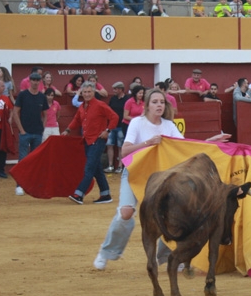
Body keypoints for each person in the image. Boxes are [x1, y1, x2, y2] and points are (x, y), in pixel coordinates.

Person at [93, 88, 230, 270]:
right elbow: (124, 152)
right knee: (125, 213)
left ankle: (165, 257)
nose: (159, 105)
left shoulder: (169, 125)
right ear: (147, 105)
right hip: (135, 172)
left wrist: (211, 141)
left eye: (162, 102)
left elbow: (185, 149)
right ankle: (107, 252)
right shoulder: (137, 123)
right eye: (155, 102)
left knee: (170, 215)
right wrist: (147, 143)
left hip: (161, 179)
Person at [61, 82, 119, 205]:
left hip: (98, 140)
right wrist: (67, 130)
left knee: (89, 168)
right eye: (85, 92)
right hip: (87, 140)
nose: (87, 94)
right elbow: (76, 120)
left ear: (93, 92)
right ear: (81, 93)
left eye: (89, 92)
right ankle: (105, 194)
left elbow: (114, 117)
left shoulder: (100, 105)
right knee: (96, 168)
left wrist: (107, 131)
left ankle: (79, 194)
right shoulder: (82, 107)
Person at [11, 72, 49, 196]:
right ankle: (19, 185)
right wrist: (21, 130)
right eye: (33, 80)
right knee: (23, 159)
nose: (35, 82)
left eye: (37, 80)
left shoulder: (42, 97)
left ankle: (32, 185)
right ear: (30, 81)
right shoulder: (23, 95)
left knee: (35, 160)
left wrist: (42, 128)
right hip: (25, 132)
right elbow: (15, 112)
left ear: (40, 82)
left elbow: (45, 114)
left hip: (37, 132)